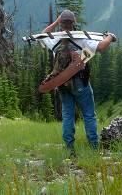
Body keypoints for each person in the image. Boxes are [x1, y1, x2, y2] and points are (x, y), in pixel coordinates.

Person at [40, 9, 116, 156]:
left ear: (61, 24)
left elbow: (44, 33)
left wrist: (56, 21)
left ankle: (69, 148)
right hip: (81, 82)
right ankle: (94, 147)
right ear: (73, 23)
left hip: (62, 83)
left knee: (68, 115)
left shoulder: (55, 40)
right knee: (88, 114)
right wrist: (110, 37)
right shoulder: (81, 39)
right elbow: (101, 47)